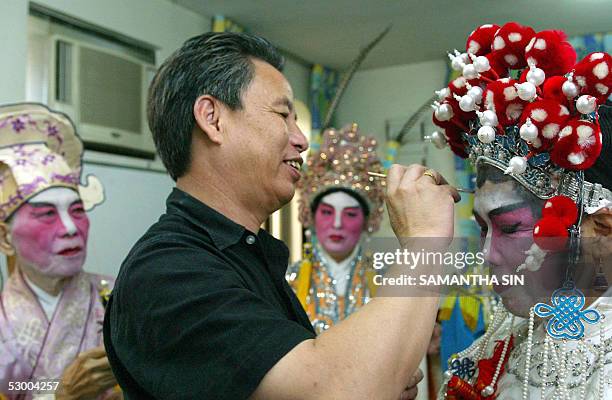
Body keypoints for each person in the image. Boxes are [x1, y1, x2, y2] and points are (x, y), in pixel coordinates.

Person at [104, 31, 460, 400]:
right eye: (282, 114)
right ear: (213, 119)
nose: (301, 139)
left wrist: (375, 379)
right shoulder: (168, 271)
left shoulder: (251, 255)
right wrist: (424, 238)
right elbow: (330, 392)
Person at [430, 21, 612, 399]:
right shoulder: (500, 346)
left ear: (603, 228)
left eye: (511, 227)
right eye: (483, 229)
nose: (487, 255)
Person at [0, 103, 119, 399]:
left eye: (77, 210)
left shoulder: (119, 295)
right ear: (5, 237)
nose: (70, 228)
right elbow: (13, 388)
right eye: (46, 214)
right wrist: (60, 392)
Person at [286, 123, 385, 333]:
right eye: (327, 212)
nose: (337, 224)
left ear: (368, 221)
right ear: (311, 217)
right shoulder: (288, 281)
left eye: (350, 214)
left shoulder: (387, 283)